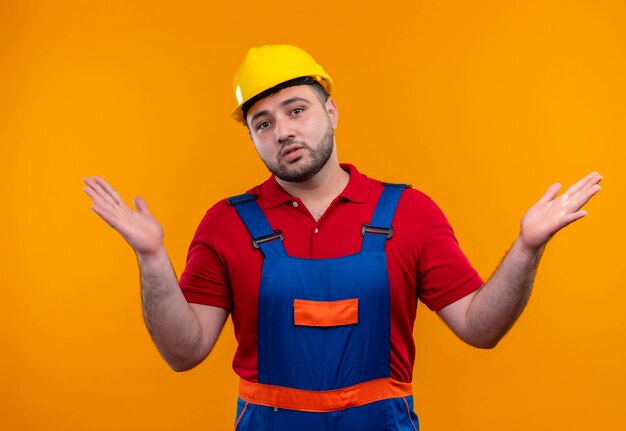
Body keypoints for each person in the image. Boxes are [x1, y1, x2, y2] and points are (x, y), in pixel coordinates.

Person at [83, 44, 602, 430]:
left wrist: (527, 248)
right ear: (252, 138)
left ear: (330, 112)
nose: (282, 130)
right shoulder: (227, 223)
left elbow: (479, 328)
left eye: (296, 109)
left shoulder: (409, 212)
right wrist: (151, 257)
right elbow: (184, 352)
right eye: (262, 122)